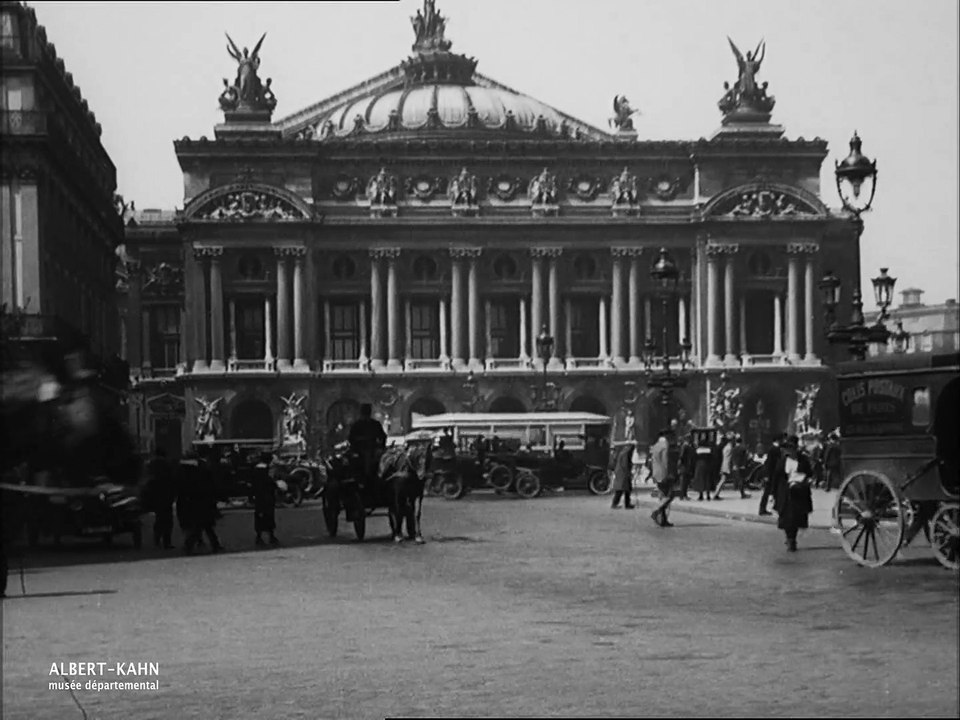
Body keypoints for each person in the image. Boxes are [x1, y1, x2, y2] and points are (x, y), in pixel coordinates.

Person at [773, 435, 814, 552]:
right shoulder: (782, 461)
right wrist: (773, 494)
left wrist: (806, 480)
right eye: (787, 449)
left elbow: (810, 474)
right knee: (787, 518)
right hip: (785, 493)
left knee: (796, 518)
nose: (789, 451)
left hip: (799, 492)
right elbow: (776, 477)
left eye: (791, 449)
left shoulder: (803, 460)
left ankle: (792, 538)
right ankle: (790, 538)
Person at [348, 403, 387, 492]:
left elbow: (383, 436)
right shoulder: (359, 425)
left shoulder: (371, 424)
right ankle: (365, 479)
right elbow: (351, 439)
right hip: (361, 450)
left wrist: (381, 448)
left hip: (372, 449)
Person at [143, 448, 175, 549]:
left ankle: (157, 538)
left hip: (155, 495)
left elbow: (146, 480)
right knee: (168, 520)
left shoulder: (149, 465)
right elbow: (172, 480)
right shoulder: (167, 465)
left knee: (159, 518)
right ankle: (167, 541)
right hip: (166, 495)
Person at [252, 452, 279, 547]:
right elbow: (269, 483)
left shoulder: (256, 470)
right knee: (269, 516)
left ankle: (259, 536)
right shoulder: (265, 471)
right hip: (267, 497)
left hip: (259, 497)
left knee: (260, 516)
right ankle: (271, 536)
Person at [650, 430, 675, 527]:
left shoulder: (656, 445)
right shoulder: (665, 445)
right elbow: (665, 461)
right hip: (663, 473)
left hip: (656, 473)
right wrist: (668, 474)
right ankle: (656, 511)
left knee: (662, 495)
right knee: (670, 495)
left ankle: (663, 520)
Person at [759, 433, 786, 516]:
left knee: (773, 490)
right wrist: (767, 475)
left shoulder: (774, 448)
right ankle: (763, 508)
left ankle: (774, 507)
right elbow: (770, 463)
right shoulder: (774, 449)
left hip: (772, 473)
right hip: (772, 474)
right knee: (768, 491)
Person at [610, 441, 635, 509]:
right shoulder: (626, 454)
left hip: (621, 472)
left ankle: (627, 503)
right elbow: (625, 465)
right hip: (623, 473)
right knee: (621, 489)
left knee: (627, 489)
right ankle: (615, 504)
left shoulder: (623, 452)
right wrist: (629, 473)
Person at [691, 433, 714, 501]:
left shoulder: (697, 450)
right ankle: (708, 495)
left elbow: (694, 459)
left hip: (699, 466)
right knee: (707, 480)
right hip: (708, 465)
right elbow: (712, 458)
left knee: (700, 480)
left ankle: (701, 495)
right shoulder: (709, 450)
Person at [731, 434, 750, 499]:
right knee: (742, 479)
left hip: (735, 465)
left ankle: (738, 489)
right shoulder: (743, 448)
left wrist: (734, 464)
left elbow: (732, 457)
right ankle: (742, 493)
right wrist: (744, 465)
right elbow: (746, 457)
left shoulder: (733, 449)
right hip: (742, 465)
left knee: (738, 479)